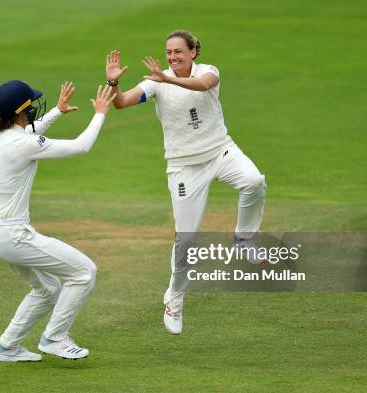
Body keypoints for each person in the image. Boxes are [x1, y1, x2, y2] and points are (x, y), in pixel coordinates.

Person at [104, 30, 267, 335]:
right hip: (183, 166)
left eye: (178, 52)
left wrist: (166, 80)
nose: (173, 57)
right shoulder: (157, 81)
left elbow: (203, 86)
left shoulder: (208, 72)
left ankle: (244, 239)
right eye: (169, 53)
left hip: (221, 150)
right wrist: (114, 81)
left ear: (193, 52)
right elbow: (122, 103)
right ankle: (174, 301)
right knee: (187, 240)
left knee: (254, 181)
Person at [0, 80, 115, 361]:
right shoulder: (24, 144)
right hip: (15, 235)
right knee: (84, 272)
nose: (33, 109)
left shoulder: (0, 135)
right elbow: (81, 146)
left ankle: (6, 347)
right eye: (30, 105)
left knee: (48, 288)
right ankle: (54, 339)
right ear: (22, 110)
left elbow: (30, 134)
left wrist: (57, 111)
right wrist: (100, 112)